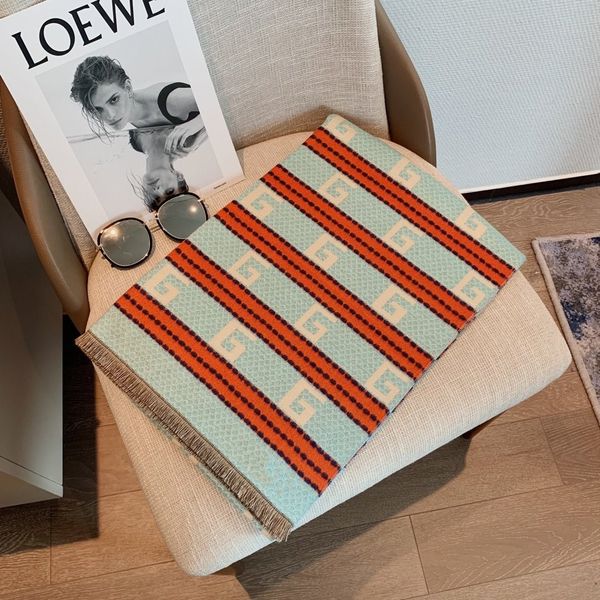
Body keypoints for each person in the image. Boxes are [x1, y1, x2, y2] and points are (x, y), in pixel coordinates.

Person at [70, 55, 205, 157]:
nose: (110, 115)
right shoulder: (131, 121)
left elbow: (214, 94)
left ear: (128, 88)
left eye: (114, 100)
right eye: (98, 109)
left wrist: (195, 124)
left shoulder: (171, 100)